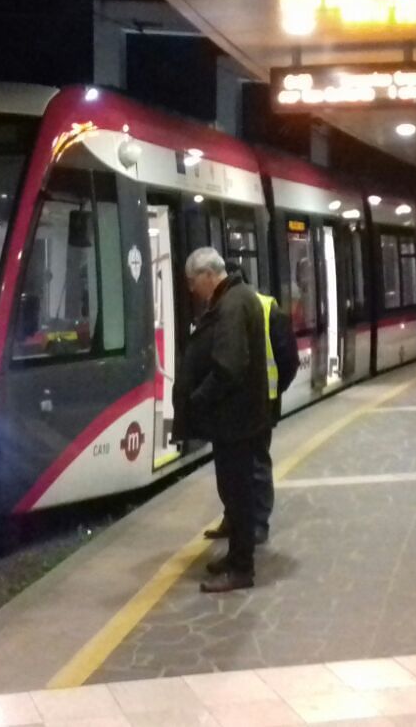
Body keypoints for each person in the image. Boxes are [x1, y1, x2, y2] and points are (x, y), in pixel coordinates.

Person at [177, 247, 270, 593]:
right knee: (237, 494)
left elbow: (228, 366)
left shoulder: (231, 305)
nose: (191, 289)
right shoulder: (239, 297)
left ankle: (241, 568)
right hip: (241, 419)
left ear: (207, 275)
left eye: (192, 281)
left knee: (238, 495)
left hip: (236, 420)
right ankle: (235, 558)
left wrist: (198, 399)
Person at [203, 282, 299, 547]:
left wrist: (272, 391)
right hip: (232, 405)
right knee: (229, 467)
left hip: (261, 404)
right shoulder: (221, 309)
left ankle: (258, 523)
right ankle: (233, 518)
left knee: (256, 465)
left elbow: (289, 360)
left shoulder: (267, 308)